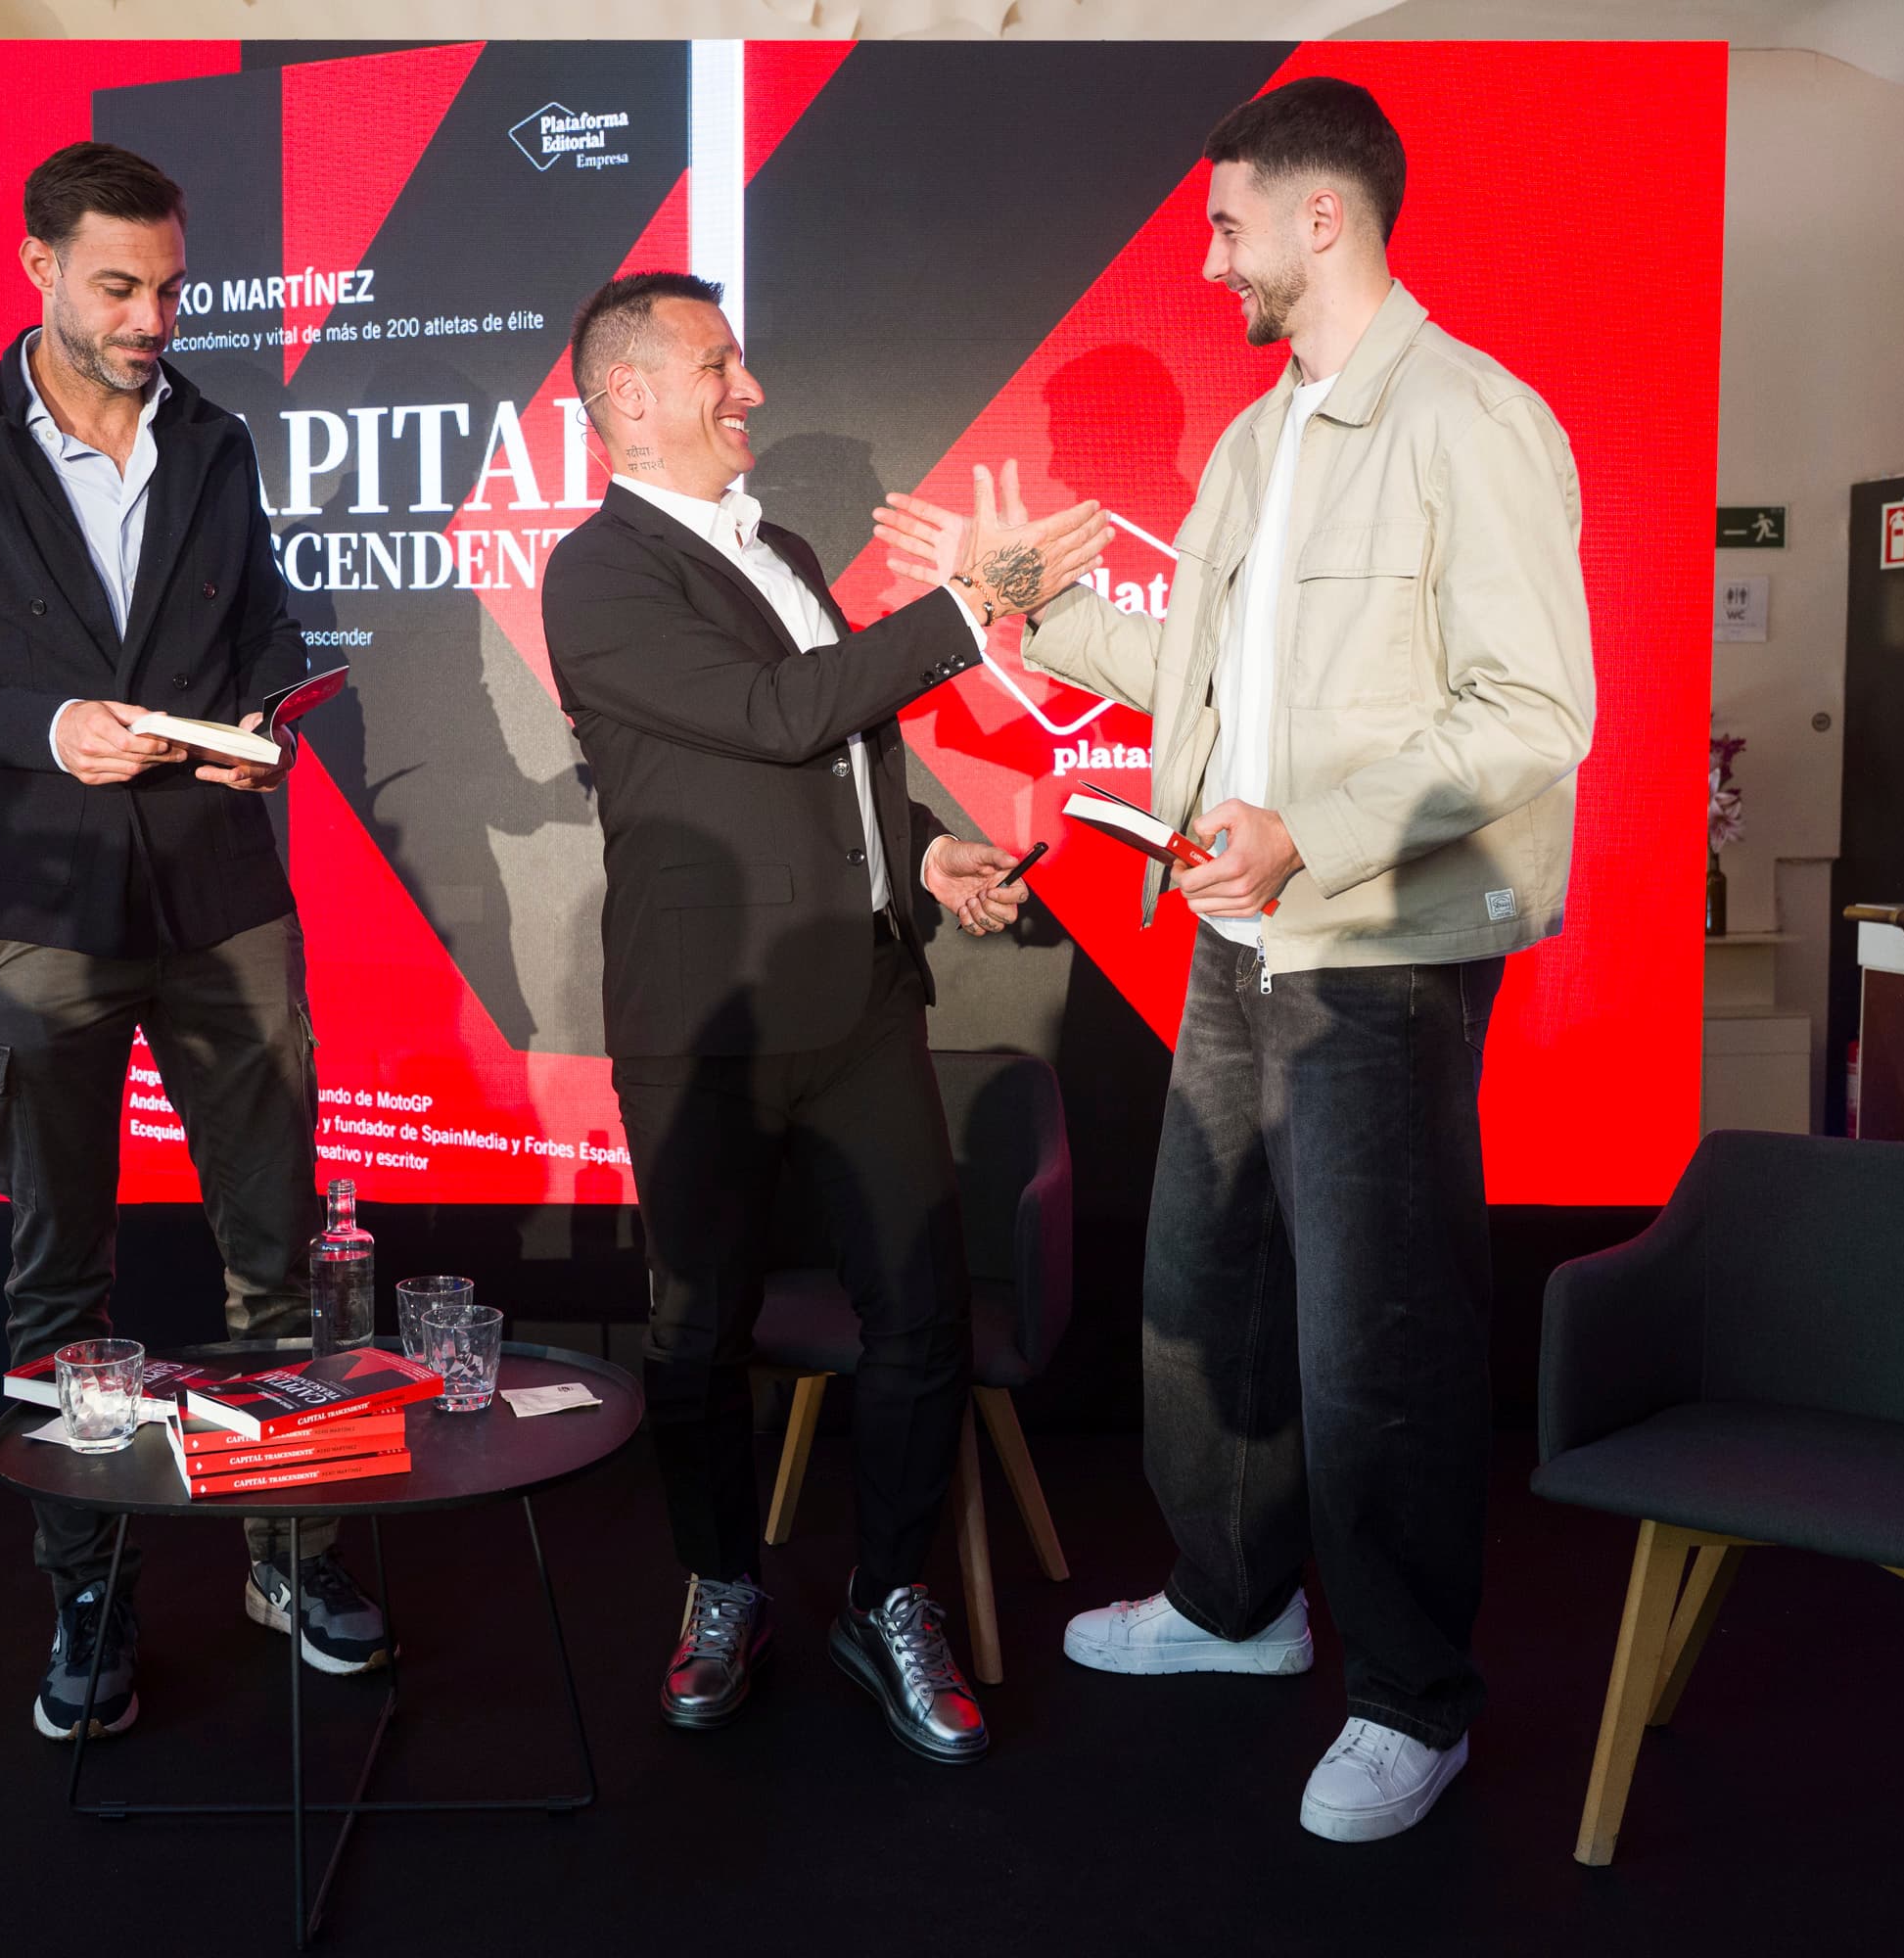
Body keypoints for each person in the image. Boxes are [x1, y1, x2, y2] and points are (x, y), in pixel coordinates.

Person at [879, 76, 1593, 1838]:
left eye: (1223, 226)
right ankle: (1235, 1607)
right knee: (1205, 1300)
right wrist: (1020, 603)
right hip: (1232, 936)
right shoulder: (1260, 447)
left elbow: (1533, 713)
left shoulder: (1473, 422)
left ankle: (1416, 1703)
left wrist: (1315, 831)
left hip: (1378, 951)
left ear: (1320, 217)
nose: (1208, 262)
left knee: (1383, 1347)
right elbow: (1183, 676)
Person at [0, 141, 385, 1743]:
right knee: (58, 1278)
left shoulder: (216, 439)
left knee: (277, 1249)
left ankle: (294, 1555)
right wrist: (41, 725)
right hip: (39, 913)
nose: (151, 317)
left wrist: (258, 715)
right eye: (118, 286)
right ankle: (89, 1589)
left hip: (226, 895)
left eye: (169, 287)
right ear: (38, 268)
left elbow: (261, 621)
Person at [540, 272, 1109, 1764]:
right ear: (635, 400)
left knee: (920, 1314)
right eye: (723, 366)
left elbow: (840, 746)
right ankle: (723, 1587)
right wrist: (977, 607)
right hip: (710, 1019)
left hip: (859, 996)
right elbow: (778, 715)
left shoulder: (780, 548)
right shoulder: (596, 576)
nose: (754, 392)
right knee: (698, 1330)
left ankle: (890, 1596)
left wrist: (921, 851)